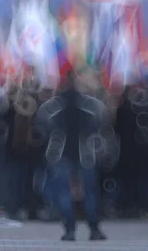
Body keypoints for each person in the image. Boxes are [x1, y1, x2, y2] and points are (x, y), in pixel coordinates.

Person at [45, 72, 107, 241]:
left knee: (64, 192)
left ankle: (70, 229)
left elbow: (44, 123)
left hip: (61, 152)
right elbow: (98, 122)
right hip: (85, 153)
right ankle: (94, 229)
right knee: (90, 192)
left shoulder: (55, 105)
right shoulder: (88, 104)